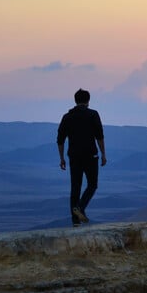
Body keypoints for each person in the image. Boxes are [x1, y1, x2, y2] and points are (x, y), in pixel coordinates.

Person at [57, 88, 106, 226]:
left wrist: (61, 158)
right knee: (92, 184)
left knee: (75, 186)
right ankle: (80, 208)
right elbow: (100, 136)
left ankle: (75, 221)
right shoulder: (93, 115)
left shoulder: (67, 117)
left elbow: (60, 140)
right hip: (90, 155)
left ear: (75, 100)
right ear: (88, 101)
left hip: (74, 156)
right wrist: (103, 154)